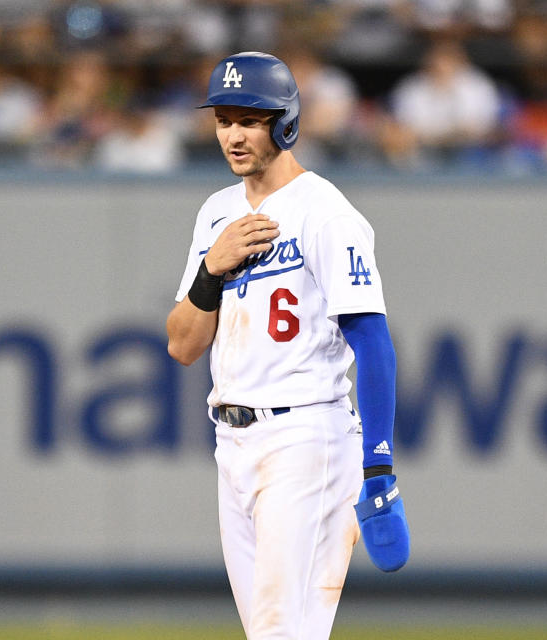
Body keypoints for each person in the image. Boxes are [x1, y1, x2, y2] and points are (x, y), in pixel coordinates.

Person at [165, 52, 410, 640]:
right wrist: (212, 270)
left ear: (285, 122)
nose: (233, 134)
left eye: (249, 119)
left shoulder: (325, 213)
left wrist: (379, 467)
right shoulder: (217, 213)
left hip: (306, 437)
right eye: (223, 119)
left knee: (280, 633)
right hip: (233, 442)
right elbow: (182, 344)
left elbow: (373, 341)